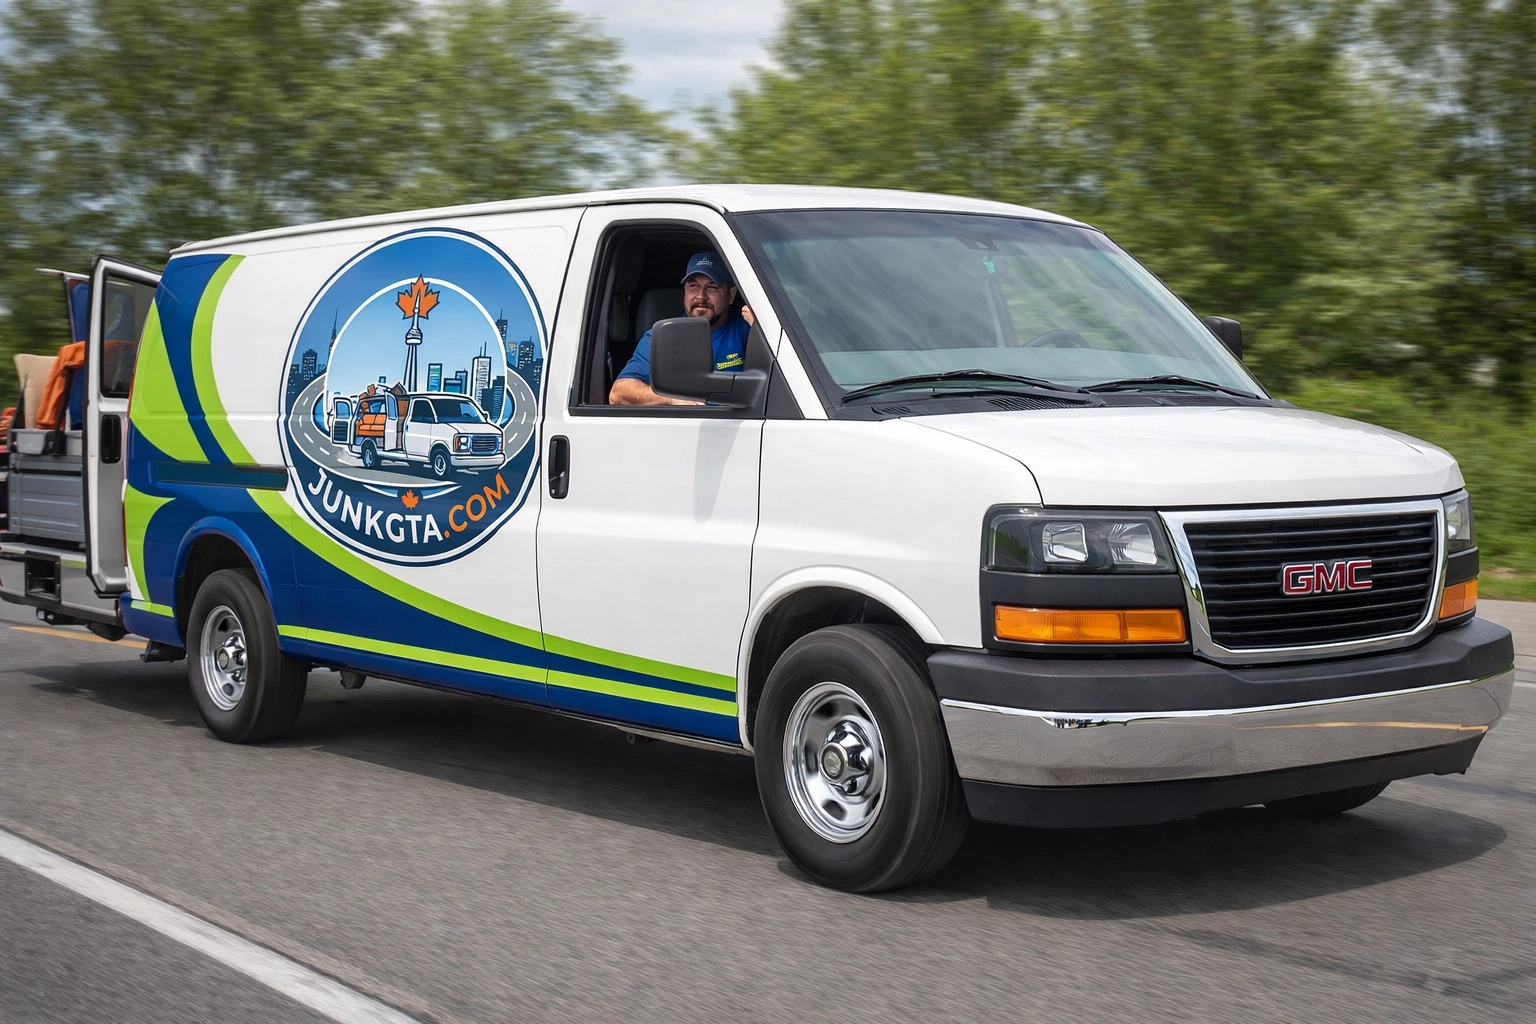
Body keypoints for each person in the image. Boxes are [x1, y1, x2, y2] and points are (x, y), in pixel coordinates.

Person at [609, 251, 755, 405]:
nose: (701, 296)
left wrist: (761, 326)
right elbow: (618, 393)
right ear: (685, 290)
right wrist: (672, 399)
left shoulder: (746, 330)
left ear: (731, 294)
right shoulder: (661, 337)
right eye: (693, 286)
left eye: (712, 287)